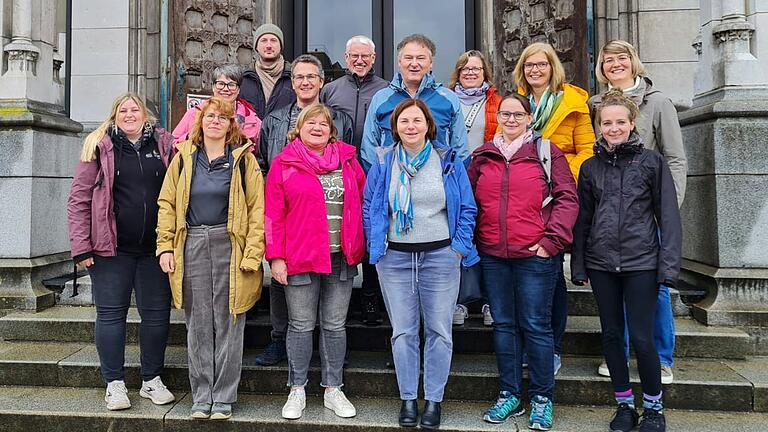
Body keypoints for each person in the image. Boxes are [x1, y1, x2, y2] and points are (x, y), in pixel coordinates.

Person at [363, 98, 478, 430]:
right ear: (395, 128)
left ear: (428, 125)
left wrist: (458, 248)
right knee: (403, 332)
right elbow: (370, 204)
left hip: (440, 258)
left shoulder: (448, 161)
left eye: (416, 121)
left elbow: (467, 208)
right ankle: (409, 398)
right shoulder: (384, 162)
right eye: (403, 122)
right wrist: (377, 244)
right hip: (395, 260)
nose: (410, 127)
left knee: (440, 331)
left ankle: (434, 401)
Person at [571, 91, 681, 432]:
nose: (614, 128)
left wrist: (668, 266)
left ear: (632, 124)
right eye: (607, 122)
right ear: (598, 127)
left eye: (620, 121)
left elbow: (668, 216)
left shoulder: (652, 163)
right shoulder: (590, 168)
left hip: (641, 262)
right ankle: (623, 404)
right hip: (602, 263)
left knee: (643, 338)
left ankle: (653, 407)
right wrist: (579, 265)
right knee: (611, 336)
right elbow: (583, 218)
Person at [469, 94, 578, 430]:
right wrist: (475, 242)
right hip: (493, 256)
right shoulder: (483, 156)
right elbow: (467, 200)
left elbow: (567, 198)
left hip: (535, 256)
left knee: (535, 325)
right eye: (506, 114)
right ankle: (510, 393)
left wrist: (551, 242)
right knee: (503, 325)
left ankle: (542, 398)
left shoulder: (546, 152)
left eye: (518, 114)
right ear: (497, 117)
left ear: (530, 118)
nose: (512, 119)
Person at [156, 96, 265, 420]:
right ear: (200, 121)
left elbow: (258, 210)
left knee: (230, 320)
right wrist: (165, 247)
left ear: (232, 124)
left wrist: (253, 253)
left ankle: (224, 397)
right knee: (199, 323)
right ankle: (202, 396)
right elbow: (168, 204)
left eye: (222, 117)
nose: (215, 121)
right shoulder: (184, 159)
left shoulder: (244, 160)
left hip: (229, 243)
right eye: (210, 116)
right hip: (192, 242)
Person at [67, 93, 175, 411]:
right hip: (110, 251)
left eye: (135, 109)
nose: (129, 114)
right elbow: (78, 200)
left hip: (155, 250)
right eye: (123, 110)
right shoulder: (99, 146)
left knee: (156, 316)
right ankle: (114, 384)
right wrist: (80, 247)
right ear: (115, 116)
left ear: (146, 115)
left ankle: (151, 379)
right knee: (111, 315)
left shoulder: (165, 145)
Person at [588, 39, 688, 384]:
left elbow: (675, 157)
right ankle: (619, 352)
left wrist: (667, 207)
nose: (615, 64)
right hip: (612, 214)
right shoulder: (595, 103)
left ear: (633, 62)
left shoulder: (658, 103)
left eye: (621, 58)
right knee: (616, 286)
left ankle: (660, 358)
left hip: (649, 212)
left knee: (655, 288)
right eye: (608, 60)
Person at [265, 103, 366, 420]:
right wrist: (276, 257)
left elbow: (363, 201)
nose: (318, 127)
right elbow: (273, 215)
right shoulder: (284, 163)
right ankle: (297, 389)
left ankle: (333, 389)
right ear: (299, 127)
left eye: (324, 123)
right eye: (312, 123)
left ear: (331, 129)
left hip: (341, 257)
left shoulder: (348, 161)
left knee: (335, 326)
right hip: (300, 256)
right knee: (301, 325)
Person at [254, 53, 353, 366]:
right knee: (283, 287)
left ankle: (330, 353)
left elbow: (347, 166)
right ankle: (279, 341)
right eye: (300, 77)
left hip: (329, 222)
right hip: (287, 210)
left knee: (330, 305)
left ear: (321, 82)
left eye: (312, 76)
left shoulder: (339, 119)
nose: (306, 82)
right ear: (292, 82)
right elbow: (263, 162)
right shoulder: (274, 119)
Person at [514, 42, 596, 374]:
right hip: (524, 203)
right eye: (529, 65)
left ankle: (553, 346)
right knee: (526, 275)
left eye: (541, 65)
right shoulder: (516, 103)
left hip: (558, 198)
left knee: (553, 277)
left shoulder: (574, 102)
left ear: (553, 67)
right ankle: (529, 346)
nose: (535, 70)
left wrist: (553, 173)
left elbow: (588, 151)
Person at [320, 35, 388, 325]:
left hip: (375, 171)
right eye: (354, 56)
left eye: (365, 56)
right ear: (346, 59)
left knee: (372, 233)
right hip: (340, 172)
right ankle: (340, 301)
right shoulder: (330, 90)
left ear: (373, 59)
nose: (359, 61)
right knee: (342, 233)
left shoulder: (385, 90)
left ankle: (371, 298)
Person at [447, 49, 503, 327]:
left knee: (487, 236)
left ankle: (489, 300)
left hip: (487, 176)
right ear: (457, 73)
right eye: (465, 69)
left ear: (485, 73)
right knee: (458, 235)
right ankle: (460, 299)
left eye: (476, 69)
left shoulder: (497, 102)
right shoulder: (445, 100)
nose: (470, 73)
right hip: (454, 176)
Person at [360, 33, 470, 172]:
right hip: (392, 183)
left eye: (420, 58)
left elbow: (460, 149)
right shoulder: (381, 99)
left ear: (431, 63)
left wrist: (452, 180)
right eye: (408, 58)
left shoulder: (449, 99)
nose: (414, 63)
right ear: (399, 63)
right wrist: (380, 178)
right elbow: (369, 148)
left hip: (438, 185)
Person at [172, 64, 262, 146]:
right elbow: (173, 144)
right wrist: (194, 136)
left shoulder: (251, 118)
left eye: (231, 85)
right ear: (213, 87)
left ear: (238, 90)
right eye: (221, 84)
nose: (226, 89)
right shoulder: (195, 113)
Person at [240, 23, 296, 119]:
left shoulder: (294, 76)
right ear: (256, 47)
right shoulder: (244, 78)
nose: (269, 45)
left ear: (281, 46)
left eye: (273, 40)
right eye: (264, 41)